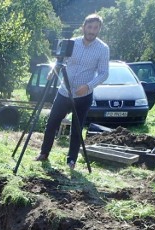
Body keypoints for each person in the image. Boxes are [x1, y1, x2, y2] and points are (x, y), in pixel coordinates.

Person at [35, 14, 110, 169]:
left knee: (76, 128)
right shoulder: (72, 43)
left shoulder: (103, 49)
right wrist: (53, 70)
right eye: (89, 27)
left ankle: (71, 160)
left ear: (99, 29)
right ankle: (44, 153)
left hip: (83, 96)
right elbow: (59, 60)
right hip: (64, 92)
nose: (92, 31)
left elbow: (104, 73)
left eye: (95, 28)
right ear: (84, 27)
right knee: (51, 123)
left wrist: (88, 86)